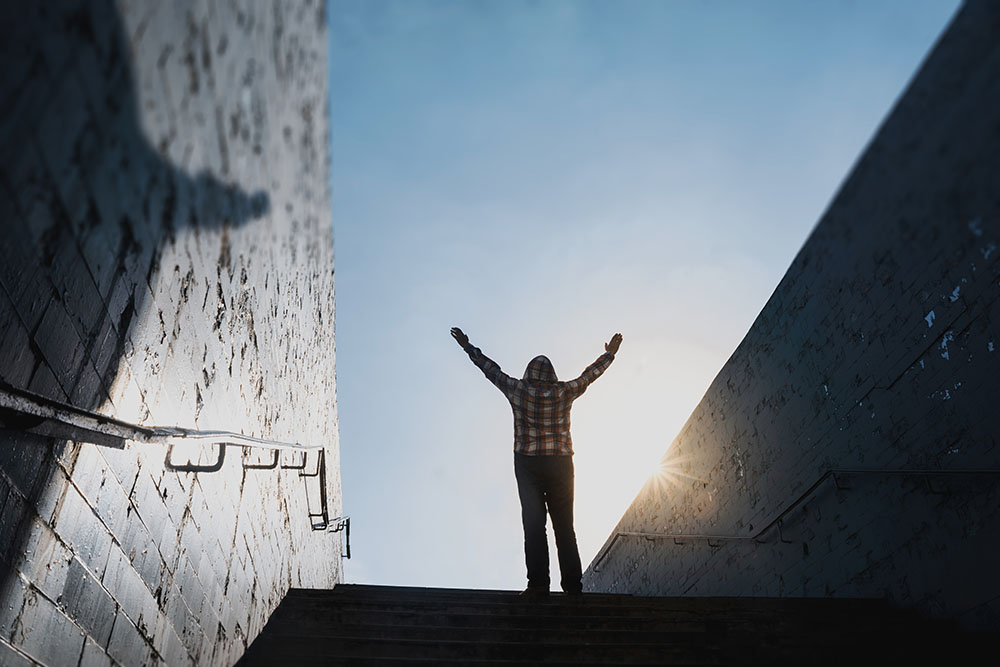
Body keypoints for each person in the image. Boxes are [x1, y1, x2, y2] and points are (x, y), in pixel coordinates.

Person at [451, 327, 622, 596]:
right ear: (552, 375)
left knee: (534, 526)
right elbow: (588, 377)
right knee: (564, 528)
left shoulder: (518, 390)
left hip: (528, 464)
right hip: (561, 464)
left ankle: (539, 585)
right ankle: (573, 588)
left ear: (529, 373)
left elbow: (491, 370)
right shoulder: (564, 391)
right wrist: (609, 355)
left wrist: (467, 346)